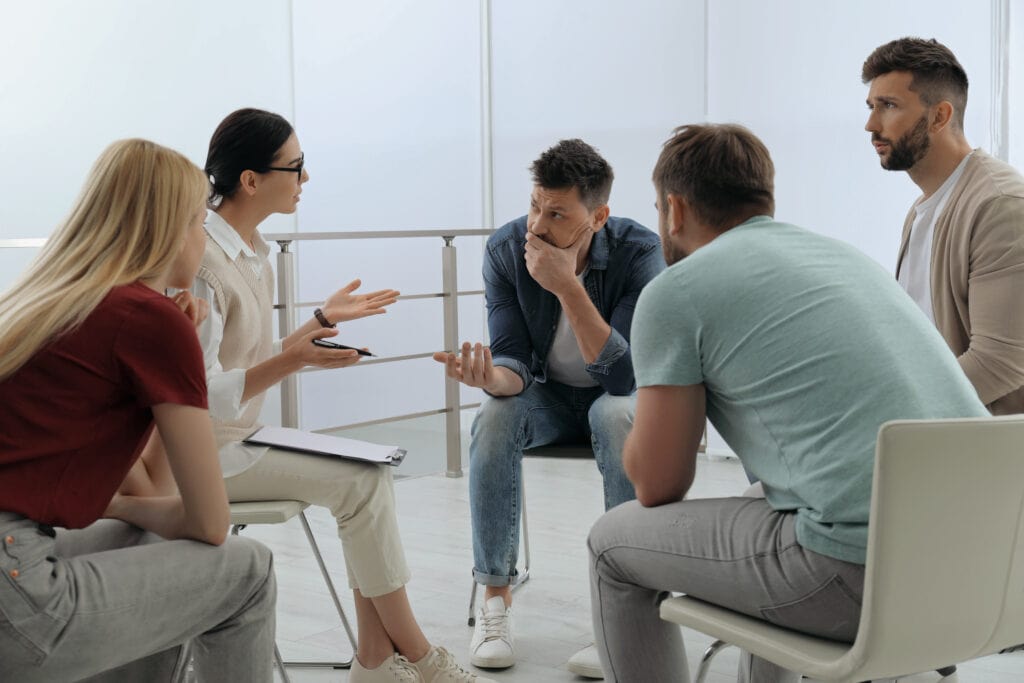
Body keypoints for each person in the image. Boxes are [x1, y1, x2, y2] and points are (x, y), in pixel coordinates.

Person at [586, 123, 989, 683]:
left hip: (864, 581)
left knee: (611, 543)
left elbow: (657, 485)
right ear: (764, 198)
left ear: (673, 211)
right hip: (987, 572)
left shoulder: (676, 292)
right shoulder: (844, 259)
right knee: (771, 502)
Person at [197, 108, 493, 683]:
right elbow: (201, 396)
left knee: (367, 475)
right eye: (296, 166)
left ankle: (379, 661)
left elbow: (242, 361)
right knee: (363, 482)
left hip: (239, 437)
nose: (305, 179)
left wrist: (315, 325)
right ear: (251, 180)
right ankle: (416, 655)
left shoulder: (252, 252)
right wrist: (294, 357)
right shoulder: (203, 264)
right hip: (201, 455)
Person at [0, 138, 277, 681]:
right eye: (198, 222)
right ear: (169, 230)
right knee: (249, 569)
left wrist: (128, 509)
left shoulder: (47, 302)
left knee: (150, 537)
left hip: (15, 558)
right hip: (18, 591)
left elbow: (151, 494)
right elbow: (212, 523)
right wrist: (188, 354)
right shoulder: (148, 319)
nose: (202, 238)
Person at [433, 138, 664, 675]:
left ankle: (622, 612)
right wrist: (490, 377)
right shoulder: (505, 248)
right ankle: (495, 598)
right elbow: (514, 359)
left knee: (614, 414)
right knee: (493, 416)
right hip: (545, 400)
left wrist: (566, 287)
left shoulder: (639, 251)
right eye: (536, 205)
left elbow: (623, 374)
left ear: (598, 217)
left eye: (557, 213)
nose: (537, 225)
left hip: (614, 398)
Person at [863, 36, 1024, 415]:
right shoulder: (922, 209)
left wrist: (888, 412)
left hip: (982, 451)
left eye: (888, 106)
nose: (871, 124)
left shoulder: (1000, 206)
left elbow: (1001, 362)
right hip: (938, 435)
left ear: (939, 116)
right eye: (871, 106)